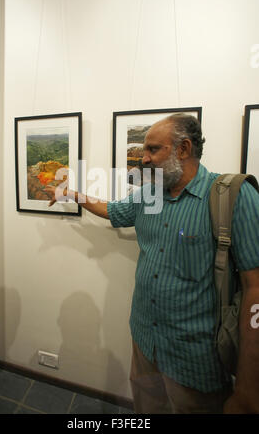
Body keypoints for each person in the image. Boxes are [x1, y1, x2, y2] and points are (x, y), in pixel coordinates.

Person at [45, 113, 259, 414]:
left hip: (196, 356)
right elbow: (113, 210)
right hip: (145, 340)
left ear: (183, 149)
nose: (143, 159)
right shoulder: (148, 195)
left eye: (152, 149)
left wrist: (249, 388)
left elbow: (255, 289)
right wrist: (71, 193)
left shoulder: (234, 197)